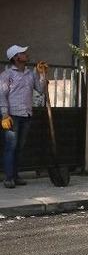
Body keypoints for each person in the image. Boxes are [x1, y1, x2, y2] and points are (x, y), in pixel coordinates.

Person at [1, 45, 48, 188]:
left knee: (19, 148)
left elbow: (40, 90)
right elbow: (1, 96)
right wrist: (4, 115)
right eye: (23, 53)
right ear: (16, 58)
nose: (26, 54)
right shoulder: (6, 75)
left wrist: (42, 74)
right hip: (12, 116)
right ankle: (8, 178)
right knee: (11, 147)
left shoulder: (30, 74)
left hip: (26, 115)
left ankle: (16, 176)